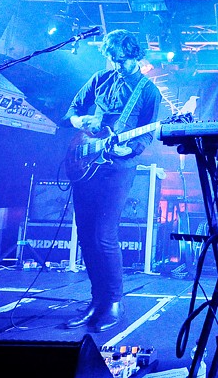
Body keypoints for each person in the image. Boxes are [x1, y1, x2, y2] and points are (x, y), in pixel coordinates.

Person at [63, 29, 162, 333]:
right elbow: (73, 110)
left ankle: (115, 303)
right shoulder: (100, 79)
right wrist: (81, 121)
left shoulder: (148, 91)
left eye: (123, 61)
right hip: (87, 160)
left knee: (104, 234)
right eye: (113, 60)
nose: (117, 66)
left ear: (136, 56)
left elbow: (148, 132)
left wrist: (130, 148)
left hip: (119, 166)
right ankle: (97, 301)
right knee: (86, 233)